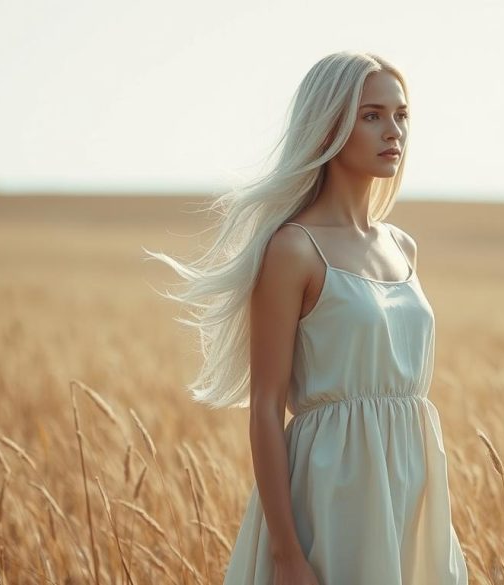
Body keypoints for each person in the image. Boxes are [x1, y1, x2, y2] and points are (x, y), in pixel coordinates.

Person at [144, 51, 468, 585]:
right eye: (371, 116)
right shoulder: (293, 249)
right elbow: (265, 408)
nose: (393, 131)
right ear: (328, 127)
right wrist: (287, 555)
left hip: (411, 482)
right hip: (331, 492)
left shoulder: (402, 246)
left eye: (401, 115)